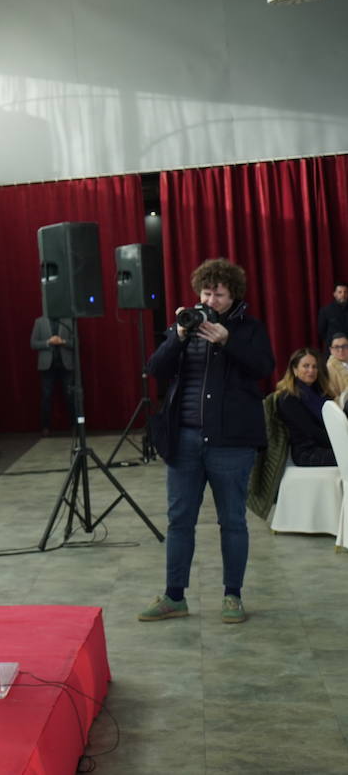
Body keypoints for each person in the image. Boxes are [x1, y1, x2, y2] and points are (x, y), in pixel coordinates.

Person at [139, 258, 273, 626]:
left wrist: (227, 341)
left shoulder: (249, 329)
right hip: (185, 439)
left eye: (219, 294)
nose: (211, 300)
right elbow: (156, 369)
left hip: (232, 443)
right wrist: (178, 338)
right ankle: (174, 596)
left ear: (234, 296)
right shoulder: (186, 326)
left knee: (232, 521)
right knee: (179, 519)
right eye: (206, 292)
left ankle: (233, 596)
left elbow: (264, 369)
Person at [274, 348, 338, 467]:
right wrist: (340, 443)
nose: (311, 370)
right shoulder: (288, 398)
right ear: (294, 370)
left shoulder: (321, 392)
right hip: (307, 452)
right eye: (306, 366)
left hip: (327, 444)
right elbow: (312, 431)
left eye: (314, 367)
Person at [30, 314, 75, 435]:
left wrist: (62, 341)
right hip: (47, 366)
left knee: (70, 396)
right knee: (46, 396)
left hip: (66, 364)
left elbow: (76, 342)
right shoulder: (39, 321)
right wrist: (48, 342)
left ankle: (74, 426)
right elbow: (33, 343)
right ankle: (45, 427)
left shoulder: (68, 320)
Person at [317, 283, 348, 350]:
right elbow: (322, 331)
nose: (343, 295)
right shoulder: (326, 311)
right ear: (334, 294)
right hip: (332, 348)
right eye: (340, 292)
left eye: (345, 292)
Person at [326, 332, 348, 399]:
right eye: (336, 347)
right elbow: (333, 396)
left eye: (344, 346)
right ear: (331, 350)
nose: (341, 350)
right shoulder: (329, 368)